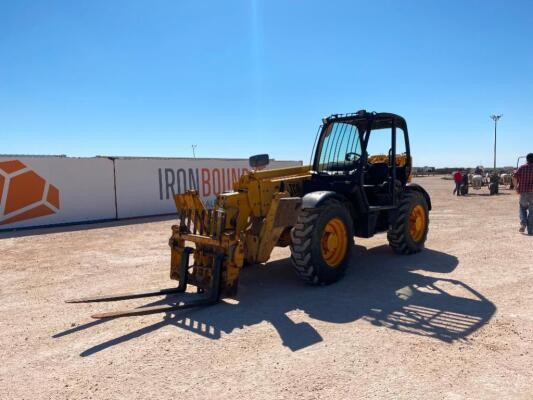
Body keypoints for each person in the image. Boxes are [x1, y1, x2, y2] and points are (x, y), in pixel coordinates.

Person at [514, 153, 533, 235]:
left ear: (527, 159)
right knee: (532, 212)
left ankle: (523, 223)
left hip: (523, 192)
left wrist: (516, 188)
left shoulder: (522, 167)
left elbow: (514, 177)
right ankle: (530, 230)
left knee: (522, 208)